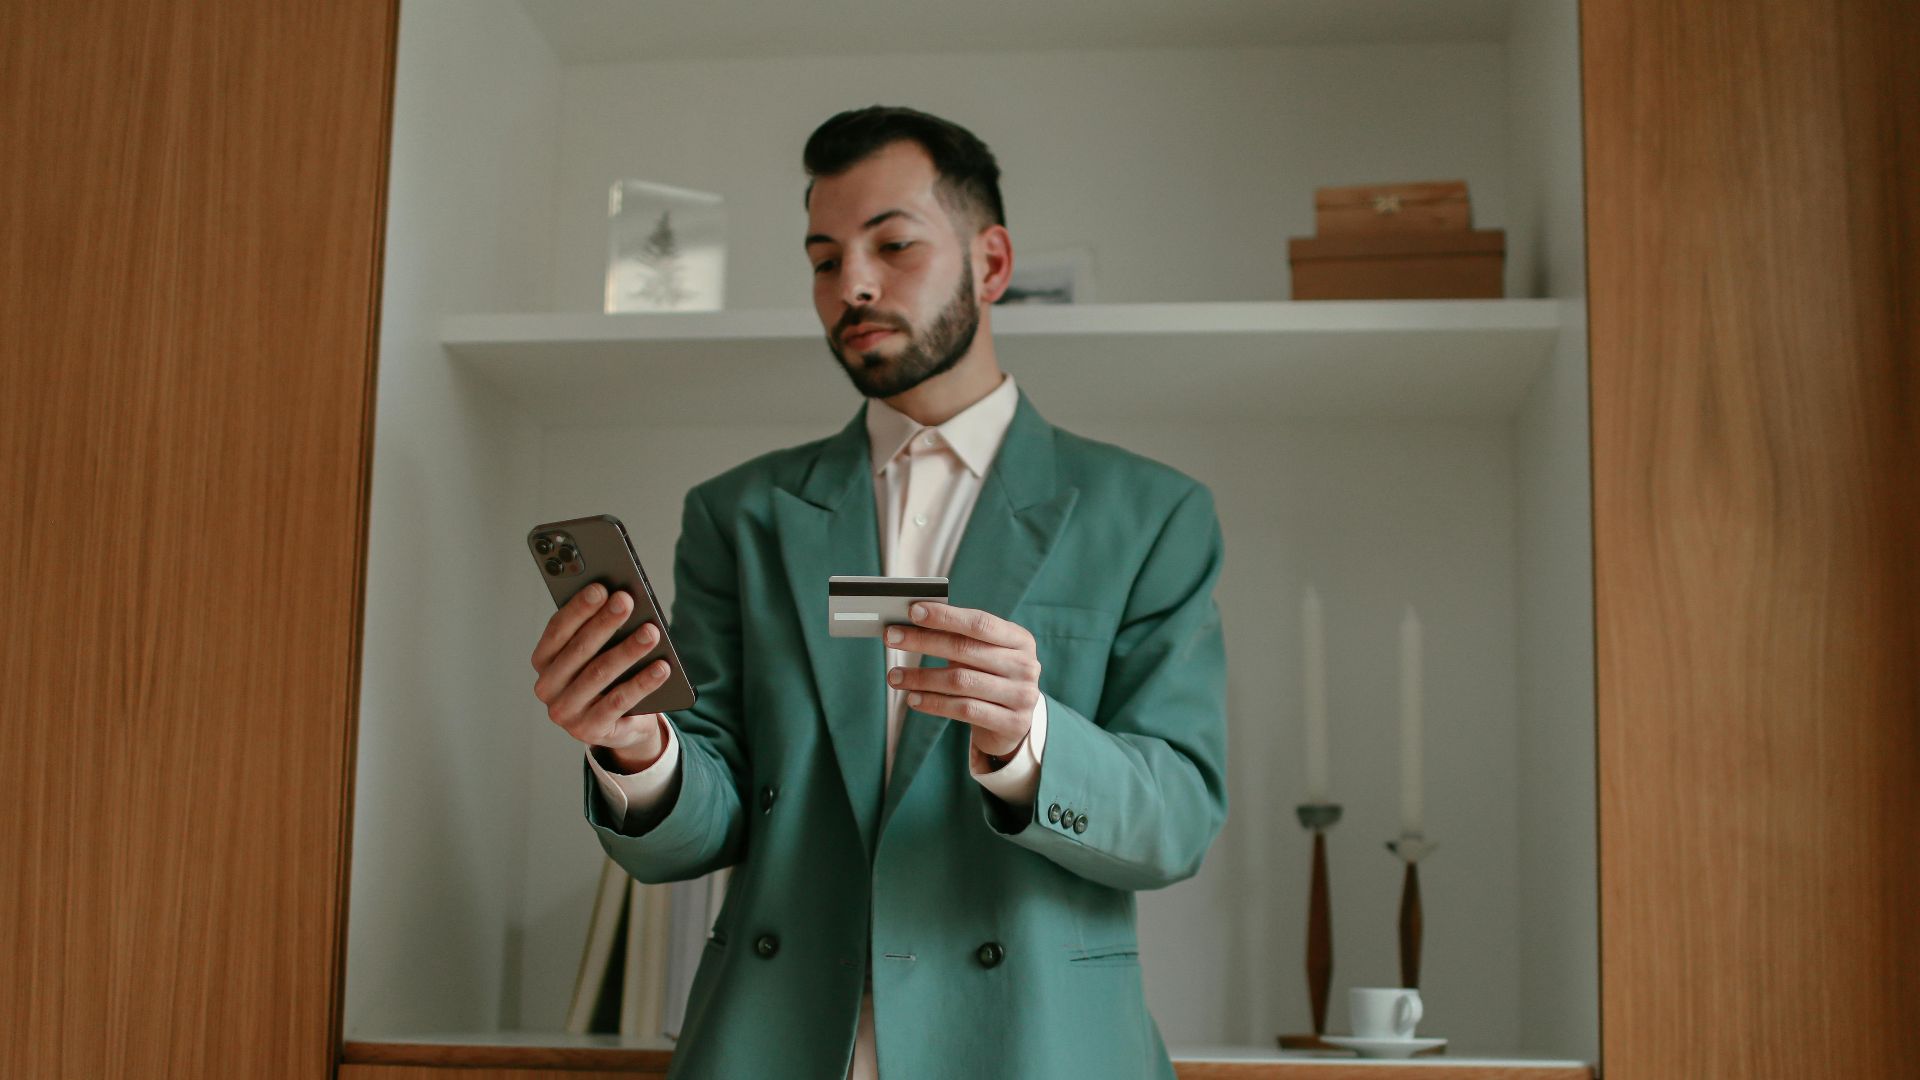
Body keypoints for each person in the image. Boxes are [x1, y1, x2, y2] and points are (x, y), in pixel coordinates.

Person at [529, 105, 1229, 1080]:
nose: (852, 285)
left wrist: (1031, 738)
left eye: (892, 245)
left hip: (1035, 1048)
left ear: (991, 265)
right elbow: (711, 817)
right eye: (823, 259)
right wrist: (635, 748)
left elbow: (1180, 819)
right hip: (773, 1046)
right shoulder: (741, 516)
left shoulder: (1152, 514)